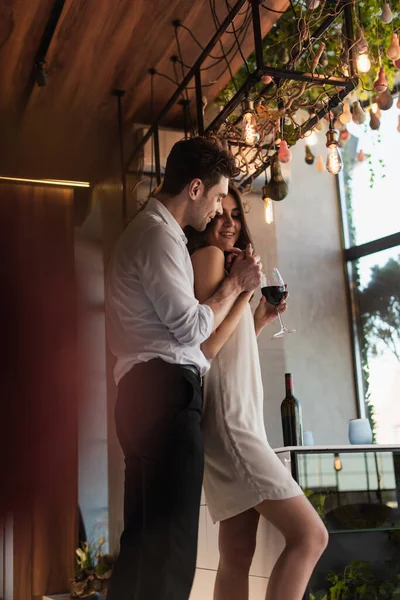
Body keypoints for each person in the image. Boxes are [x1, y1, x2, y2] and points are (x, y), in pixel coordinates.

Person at [105, 137, 262, 600]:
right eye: (216, 197)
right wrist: (235, 283)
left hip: (142, 394)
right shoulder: (157, 235)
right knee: (170, 553)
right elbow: (192, 327)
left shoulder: (153, 233)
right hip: (164, 395)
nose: (218, 211)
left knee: (142, 546)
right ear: (195, 188)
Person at [187, 185, 328, 600]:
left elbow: (226, 343)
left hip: (231, 417)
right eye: (219, 213)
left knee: (236, 554)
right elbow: (204, 344)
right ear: (205, 214)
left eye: (234, 214)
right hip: (233, 422)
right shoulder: (210, 258)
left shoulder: (220, 266)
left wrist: (260, 318)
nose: (228, 222)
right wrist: (245, 289)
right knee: (311, 536)